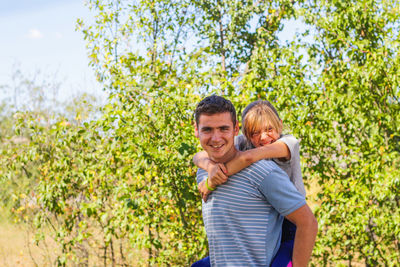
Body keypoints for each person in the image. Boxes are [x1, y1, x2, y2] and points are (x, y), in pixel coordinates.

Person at [192, 95, 317, 267]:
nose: (264, 138)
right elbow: (199, 155)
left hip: (290, 223)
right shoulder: (238, 143)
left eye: (269, 129)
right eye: (255, 132)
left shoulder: (287, 144)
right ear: (244, 132)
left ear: (279, 124)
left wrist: (211, 182)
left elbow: (247, 158)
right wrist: (209, 167)